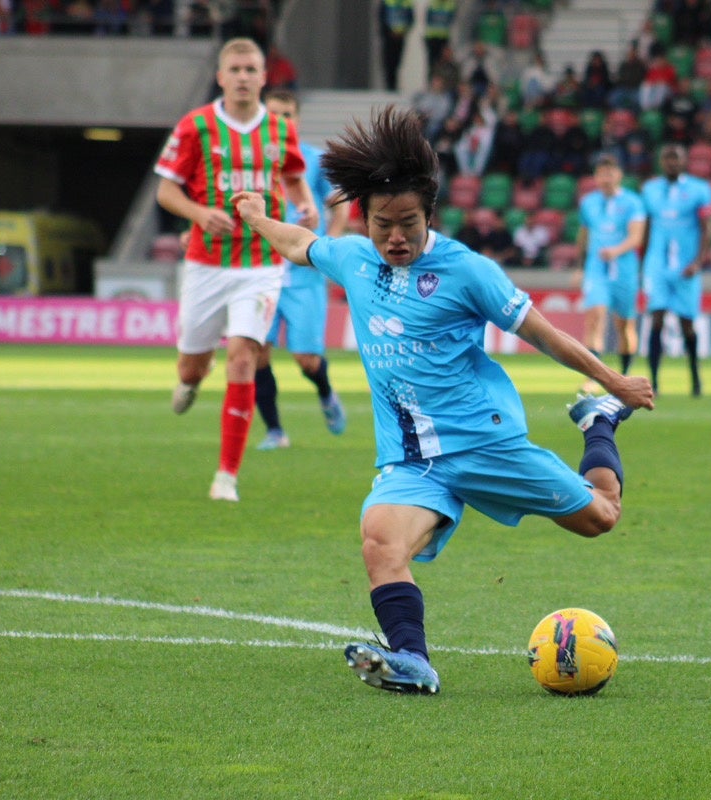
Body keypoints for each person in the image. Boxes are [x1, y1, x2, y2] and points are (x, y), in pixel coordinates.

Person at [230, 106, 654, 694]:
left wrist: (613, 384)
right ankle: (414, 662)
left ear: (430, 214)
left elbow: (546, 335)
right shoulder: (353, 258)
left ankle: (600, 425)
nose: (396, 236)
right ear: (365, 219)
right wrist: (256, 216)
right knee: (380, 542)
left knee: (600, 519)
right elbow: (299, 241)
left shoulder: (467, 271)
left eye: (408, 222)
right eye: (383, 224)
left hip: (486, 444)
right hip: (411, 461)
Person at [155, 37, 317, 502]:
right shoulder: (196, 127)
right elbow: (166, 191)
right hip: (207, 264)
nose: (244, 77)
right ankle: (188, 382)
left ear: (265, 78)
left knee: (244, 357)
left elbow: (291, 174)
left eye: (252, 69)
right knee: (192, 367)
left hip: (262, 264)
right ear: (222, 77)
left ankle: (226, 475)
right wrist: (200, 214)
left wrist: (304, 203)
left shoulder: (280, 130)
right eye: (236, 69)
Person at [253, 90, 350, 451]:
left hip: (304, 273)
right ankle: (275, 431)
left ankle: (325, 392)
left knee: (306, 360)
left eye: (287, 115)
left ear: (297, 120)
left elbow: (339, 206)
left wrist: (329, 245)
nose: (281, 121)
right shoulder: (251, 161)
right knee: (257, 351)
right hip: (260, 271)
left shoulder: (312, 160)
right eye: (274, 114)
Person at [640, 144, 711, 397]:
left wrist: (698, 261)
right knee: (656, 320)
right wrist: (644, 263)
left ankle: (695, 380)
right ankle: (654, 383)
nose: (671, 162)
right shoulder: (649, 190)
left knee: (687, 325)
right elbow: (647, 227)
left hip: (686, 268)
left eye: (676, 158)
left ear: (684, 161)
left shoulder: (699, 190)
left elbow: (707, 228)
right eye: (667, 158)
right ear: (661, 161)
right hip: (657, 267)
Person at [575, 153, 647, 386]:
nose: (605, 178)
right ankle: (593, 377)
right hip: (597, 269)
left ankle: (625, 373)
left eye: (610, 173)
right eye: (601, 173)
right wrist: (579, 266)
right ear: (595, 177)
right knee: (595, 317)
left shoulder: (633, 203)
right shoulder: (589, 203)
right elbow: (584, 236)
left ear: (619, 175)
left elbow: (636, 238)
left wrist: (615, 251)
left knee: (624, 324)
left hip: (624, 270)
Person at [378, 0, 415, 92]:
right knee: (388, 62)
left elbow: (410, 19)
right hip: (388, 37)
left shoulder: (407, 2)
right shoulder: (387, 2)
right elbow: (381, 17)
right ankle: (389, 86)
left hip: (400, 37)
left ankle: (393, 85)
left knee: (397, 61)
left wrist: (403, 32)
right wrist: (389, 31)